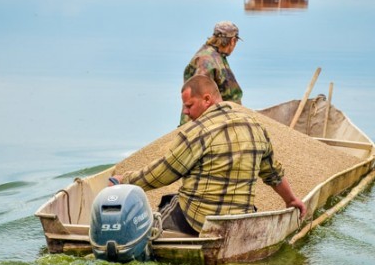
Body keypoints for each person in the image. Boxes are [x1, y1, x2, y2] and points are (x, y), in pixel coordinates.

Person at [111, 75, 307, 235]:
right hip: (239, 223)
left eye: (189, 106)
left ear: (207, 99)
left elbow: (163, 172)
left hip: (196, 223)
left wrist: (125, 180)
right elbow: (274, 174)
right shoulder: (255, 127)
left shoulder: (197, 132)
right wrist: (290, 200)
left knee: (167, 206)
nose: (185, 112)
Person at [179, 21, 243, 125]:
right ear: (233, 41)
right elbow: (198, 96)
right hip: (208, 123)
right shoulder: (207, 60)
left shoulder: (218, 56)